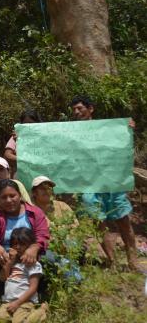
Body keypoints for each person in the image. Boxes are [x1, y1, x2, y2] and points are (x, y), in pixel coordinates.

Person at [70, 95, 138, 270]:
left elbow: (121, 145)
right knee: (99, 223)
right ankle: (112, 262)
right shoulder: (69, 133)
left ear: (90, 109)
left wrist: (128, 130)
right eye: (74, 110)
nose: (77, 112)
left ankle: (133, 261)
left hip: (111, 181)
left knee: (123, 219)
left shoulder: (107, 129)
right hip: (88, 184)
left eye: (80, 108)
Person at [0, 180, 50, 289]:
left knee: (50, 256)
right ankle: (0, 287)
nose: (9, 200)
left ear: (20, 195)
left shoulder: (35, 212)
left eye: (12, 196)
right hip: (5, 256)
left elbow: (43, 235)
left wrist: (34, 247)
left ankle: (38, 287)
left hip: (30, 256)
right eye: (3, 197)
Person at [0, 227, 48, 323]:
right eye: (15, 244)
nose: (18, 247)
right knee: (1, 318)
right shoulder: (12, 262)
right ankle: (22, 317)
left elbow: (33, 288)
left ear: (30, 247)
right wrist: (9, 263)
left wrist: (17, 303)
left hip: (25, 302)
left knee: (18, 321)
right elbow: (2, 278)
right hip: (8, 302)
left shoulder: (32, 264)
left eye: (22, 244)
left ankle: (42, 311)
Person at [3, 109, 41, 178]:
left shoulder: (44, 137)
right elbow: (7, 155)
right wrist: (25, 161)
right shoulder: (16, 137)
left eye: (31, 123)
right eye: (25, 124)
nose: (28, 126)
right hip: (21, 178)